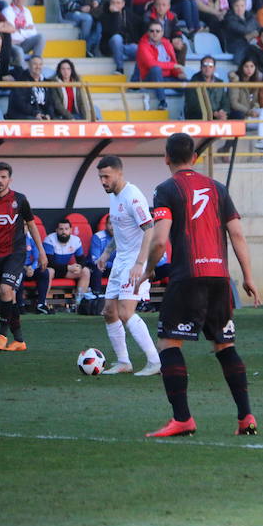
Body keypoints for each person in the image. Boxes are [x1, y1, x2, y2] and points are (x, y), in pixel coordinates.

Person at [135, 132, 260, 438]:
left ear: (166, 157)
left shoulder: (166, 189)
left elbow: (160, 239)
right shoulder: (218, 188)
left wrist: (148, 270)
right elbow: (237, 234)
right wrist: (248, 276)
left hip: (188, 277)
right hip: (219, 277)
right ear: (195, 157)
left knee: (168, 343)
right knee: (224, 344)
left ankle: (182, 419)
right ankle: (246, 417)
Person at [93, 156, 160, 376]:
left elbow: (149, 228)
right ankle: (124, 362)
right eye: (100, 176)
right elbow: (121, 230)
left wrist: (140, 264)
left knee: (125, 312)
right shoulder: (115, 196)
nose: (103, 181)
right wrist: (106, 252)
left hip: (134, 261)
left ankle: (155, 361)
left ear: (119, 174)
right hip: (121, 260)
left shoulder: (132, 196)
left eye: (106, 176)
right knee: (109, 311)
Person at [0, 162, 48, 351]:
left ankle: (2, 335)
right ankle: (19, 340)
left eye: (3, 177)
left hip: (16, 253)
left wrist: (42, 252)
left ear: (10, 179)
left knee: (6, 290)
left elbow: (32, 225)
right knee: (8, 297)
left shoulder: (20, 200)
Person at [228, 57, 263, 159]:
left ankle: (262, 143)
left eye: (252, 66)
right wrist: (249, 112)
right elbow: (234, 103)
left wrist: (255, 108)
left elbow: (256, 102)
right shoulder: (235, 81)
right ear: (242, 67)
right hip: (239, 117)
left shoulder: (255, 81)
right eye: (246, 66)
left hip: (249, 117)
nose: (249, 69)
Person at [136, 20, 187, 110]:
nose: (154, 33)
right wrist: (173, 66)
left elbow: (173, 62)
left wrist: (178, 73)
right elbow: (152, 64)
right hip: (150, 78)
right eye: (152, 31)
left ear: (162, 33)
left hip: (167, 78)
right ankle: (162, 101)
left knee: (190, 85)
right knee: (156, 69)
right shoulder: (143, 45)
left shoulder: (167, 43)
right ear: (148, 32)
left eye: (157, 31)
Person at [44, 219, 93, 308]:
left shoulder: (75, 240)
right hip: (54, 270)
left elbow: (82, 259)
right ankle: (43, 302)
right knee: (49, 271)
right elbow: (49, 263)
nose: (64, 232)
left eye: (66, 229)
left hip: (65, 271)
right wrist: (69, 268)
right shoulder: (49, 239)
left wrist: (79, 266)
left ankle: (78, 303)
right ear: (56, 230)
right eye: (61, 229)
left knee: (85, 271)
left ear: (70, 230)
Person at [2, 0, 45, 66]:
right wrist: (25, 29)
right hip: (11, 44)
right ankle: (24, 74)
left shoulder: (27, 11)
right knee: (19, 51)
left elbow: (33, 32)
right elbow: (11, 33)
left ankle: (35, 64)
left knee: (40, 37)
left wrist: (19, 30)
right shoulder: (7, 11)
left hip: (23, 43)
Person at [184, 55, 229, 120]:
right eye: (205, 66)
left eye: (210, 66)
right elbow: (194, 105)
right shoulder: (192, 83)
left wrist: (222, 111)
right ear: (200, 68)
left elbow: (225, 101)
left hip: (217, 115)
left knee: (236, 115)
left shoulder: (220, 82)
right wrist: (214, 113)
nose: (207, 69)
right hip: (200, 115)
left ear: (214, 69)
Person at [17, 232, 53, 313]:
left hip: (30, 268)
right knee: (19, 273)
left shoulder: (31, 238)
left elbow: (37, 257)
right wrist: (25, 268)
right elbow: (14, 258)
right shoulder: (13, 238)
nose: (24, 228)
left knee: (44, 272)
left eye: (26, 225)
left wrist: (32, 268)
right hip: (18, 267)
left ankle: (41, 304)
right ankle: (20, 305)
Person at [222, 0, 258, 64]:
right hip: (234, 45)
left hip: (249, 44)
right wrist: (252, 33)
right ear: (232, 6)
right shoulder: (229, 18)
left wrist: (251, 35)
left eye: (242, 6)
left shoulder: (250, 16)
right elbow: (243, 30)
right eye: (237, 6)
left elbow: (259, 28)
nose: (239, 8)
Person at [87, 218, 114, 296]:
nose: (113, 226)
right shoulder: (98, 237)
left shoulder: (123, 237)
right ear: (105, 225)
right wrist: (105, 264)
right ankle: (97, 297)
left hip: (112, 267)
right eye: (110, 223)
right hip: (96, 267)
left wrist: (107, 264)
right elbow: (96, 260)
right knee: (98, 268)